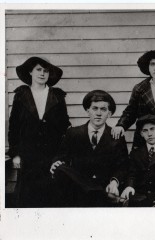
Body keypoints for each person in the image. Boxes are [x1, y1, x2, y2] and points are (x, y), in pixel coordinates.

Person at [7, 56, 71, 207]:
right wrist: (15, 154)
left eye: (46, 71)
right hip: (28, 156)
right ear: (30, 72)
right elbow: (14, 127)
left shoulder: (57, 96)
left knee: (52, 195)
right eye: (38, 70)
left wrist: (62, 154)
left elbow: (64, 126)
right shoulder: (21, 96)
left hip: (52, 155)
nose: (42, 74)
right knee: (28, 196)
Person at [50, 90, 129, 207]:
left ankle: (98, 193)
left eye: (103, 109)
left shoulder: (116, 137)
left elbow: (123, 166)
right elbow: (61, 156)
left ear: (109, 113)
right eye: (95, 108)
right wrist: (55, 163)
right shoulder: (73, 133)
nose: (98, 113)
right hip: (78, 189)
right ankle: (99, 194)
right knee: (60, 168)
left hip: (105, 186)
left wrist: (114, 181)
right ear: (88, 111)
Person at [120, 114, 155, 207]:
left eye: (152, 129)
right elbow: (132, 174)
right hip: (139, 197)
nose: (149, 134)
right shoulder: (136, 153)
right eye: (145, 130)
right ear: (141, 134)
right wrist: (129, 186)